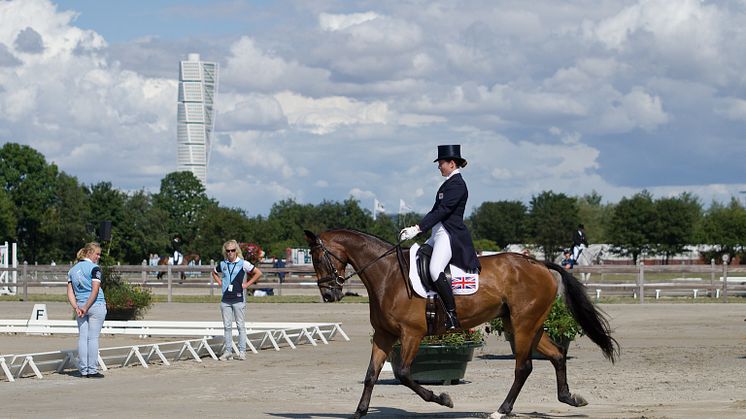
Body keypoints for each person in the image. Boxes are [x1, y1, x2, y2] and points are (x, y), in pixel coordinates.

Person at [399, 144, 480, 330]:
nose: (439, 167)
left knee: (435, 269)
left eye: (441, 163)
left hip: (449, 234)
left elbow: (443, 211)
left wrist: (418, 228)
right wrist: (416, 228)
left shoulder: (458, 184)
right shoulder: (448, 184)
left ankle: (452, 315)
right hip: (437, 232)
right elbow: (434, 211)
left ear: (451, 163)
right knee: (417, 258)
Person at [212, 240, 262, 361]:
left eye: (232, 250)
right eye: (228, 251)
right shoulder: (223, 264)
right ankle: (228, 351)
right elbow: (214, 272)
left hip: (238, 299)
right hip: (225, 299)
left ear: (236, 251)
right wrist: (220, 283)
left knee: (240, 326)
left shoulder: (243, 263)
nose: (230, 253)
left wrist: (247, 284)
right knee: (227, 326)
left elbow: (258, 273)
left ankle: (242, 351)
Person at [66, 242, 107, 378]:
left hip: (80, 306)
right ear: (89, 253)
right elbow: (95, 290)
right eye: (97, 254)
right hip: (94, 304)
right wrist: (86, 307)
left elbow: (70, 292)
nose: (98, 257)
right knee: (93, 338)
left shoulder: (72, 270)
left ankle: (84, 370)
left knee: (83, 338)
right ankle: (92, 369)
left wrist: (77, 307)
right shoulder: (95, 268)